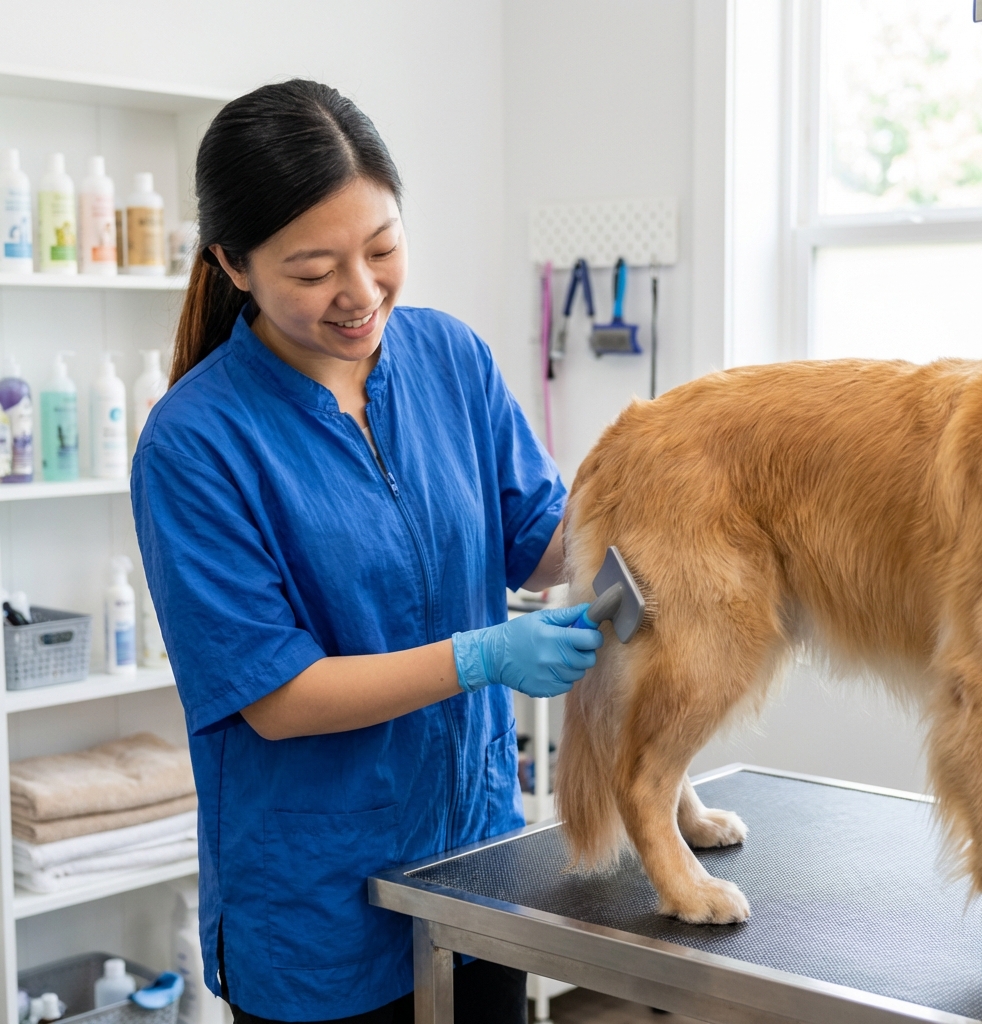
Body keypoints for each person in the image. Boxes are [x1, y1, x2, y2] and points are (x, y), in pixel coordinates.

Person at [131, 80, 602, 1024]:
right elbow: (276, 698)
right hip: (315, 914)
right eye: (313, 271)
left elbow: (544, 543)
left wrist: (670, 495)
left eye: (382, 249)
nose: (361, 292)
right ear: (234, 263)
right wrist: (481, 657)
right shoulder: (196, 444)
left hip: (474, 862)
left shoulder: (449, 360)